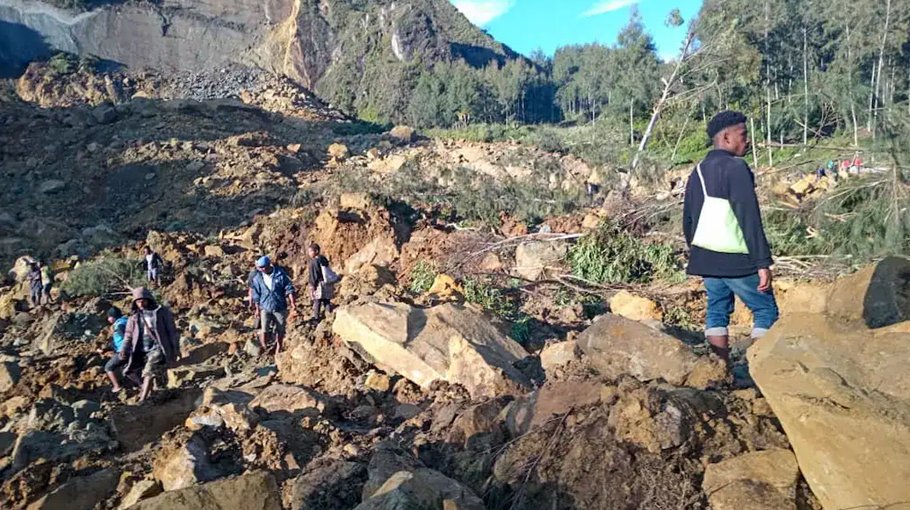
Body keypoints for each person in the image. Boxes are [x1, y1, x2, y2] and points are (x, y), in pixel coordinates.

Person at [683, 110, 779, 364]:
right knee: (765, 309)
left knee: (716, 310)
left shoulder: (698, 170)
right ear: (726, 138)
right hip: (737, 258)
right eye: (743, 135)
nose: (747, 141)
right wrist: (762, 262)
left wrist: (697, 252)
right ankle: (757, 369)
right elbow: (748, 216)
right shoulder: (736, 168)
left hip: (706, 256)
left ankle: (720, 369)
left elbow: (689, 218)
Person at [121, 287, 180, 402]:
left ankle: (143, 399)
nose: (141, 303)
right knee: (129, 371)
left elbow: (171, 331)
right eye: (138, 301)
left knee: (149, 371)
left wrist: (175, 349)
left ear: (148, 299)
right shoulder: (134, 318)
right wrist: (124, 348)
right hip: (141, 349)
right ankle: (149, 391)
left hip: (158, 347)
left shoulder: (161, 312)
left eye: (143, 300)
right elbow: (128, 335)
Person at [250, 256, 296, 355]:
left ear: (268, 265)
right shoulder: (258, 278)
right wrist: (257, 309)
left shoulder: (280, 275)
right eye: (260, 267)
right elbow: (256, 294)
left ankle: (278, 348)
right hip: (265, 306)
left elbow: (289, 288)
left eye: (264, 267)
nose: (262, 269)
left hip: (279, 306)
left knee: (280, 329)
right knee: (264, 328)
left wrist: (293, 304)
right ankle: (264, 346)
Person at [101, 307, 129, 393]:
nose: (108, 319)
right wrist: (105, 349)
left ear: (113, 317)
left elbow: (126, 338)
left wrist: (124, 350)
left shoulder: (119, 325)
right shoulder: (126, 321)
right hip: (129, 350)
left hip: (124, 351)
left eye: (109, 317)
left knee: (108, 367)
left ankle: (117, 386)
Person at [307, 244, 335, 322]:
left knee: (317, 301)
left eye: (310, 251)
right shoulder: (323, 258)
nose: (309, 253)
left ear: (316, 251)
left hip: (319, 283)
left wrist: (312, 286)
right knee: (327, 300)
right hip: (327, 282)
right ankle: (329, 316)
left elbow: (314, 275)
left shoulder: (314, 262)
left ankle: (316, 318)